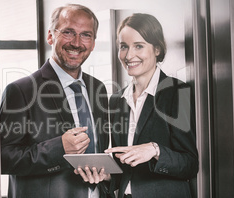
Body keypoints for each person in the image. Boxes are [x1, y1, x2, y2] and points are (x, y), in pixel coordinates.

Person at [78, 13, 199, 197]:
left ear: (157, 49)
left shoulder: (177, 92)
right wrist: (106, 175)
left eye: (139, 46)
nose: (129, 55)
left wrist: (155, 149)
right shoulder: (117, 100)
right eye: (124, 47)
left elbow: (189, 164)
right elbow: (126, 168)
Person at [0, 4, 109, 198]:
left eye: (86, 35)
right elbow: (2, 158)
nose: (76, 43)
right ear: (50, 36)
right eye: (68, 32)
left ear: (93, 43)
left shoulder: (98, 88)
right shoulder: (21, 90)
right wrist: (60, 148)